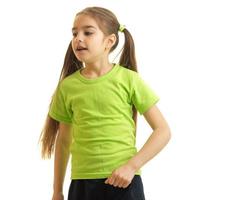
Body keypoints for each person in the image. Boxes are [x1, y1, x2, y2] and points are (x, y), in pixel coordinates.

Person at [38, 6, 171, 200]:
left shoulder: (129, 80)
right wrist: (57, 191)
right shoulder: (67, 87)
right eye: (75, 33)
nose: (78, 38)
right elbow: (64, 140)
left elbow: (163, 131)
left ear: (109, 41)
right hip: (82, 184)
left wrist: (131, 166)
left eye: (88, 32)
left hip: (125, 181)